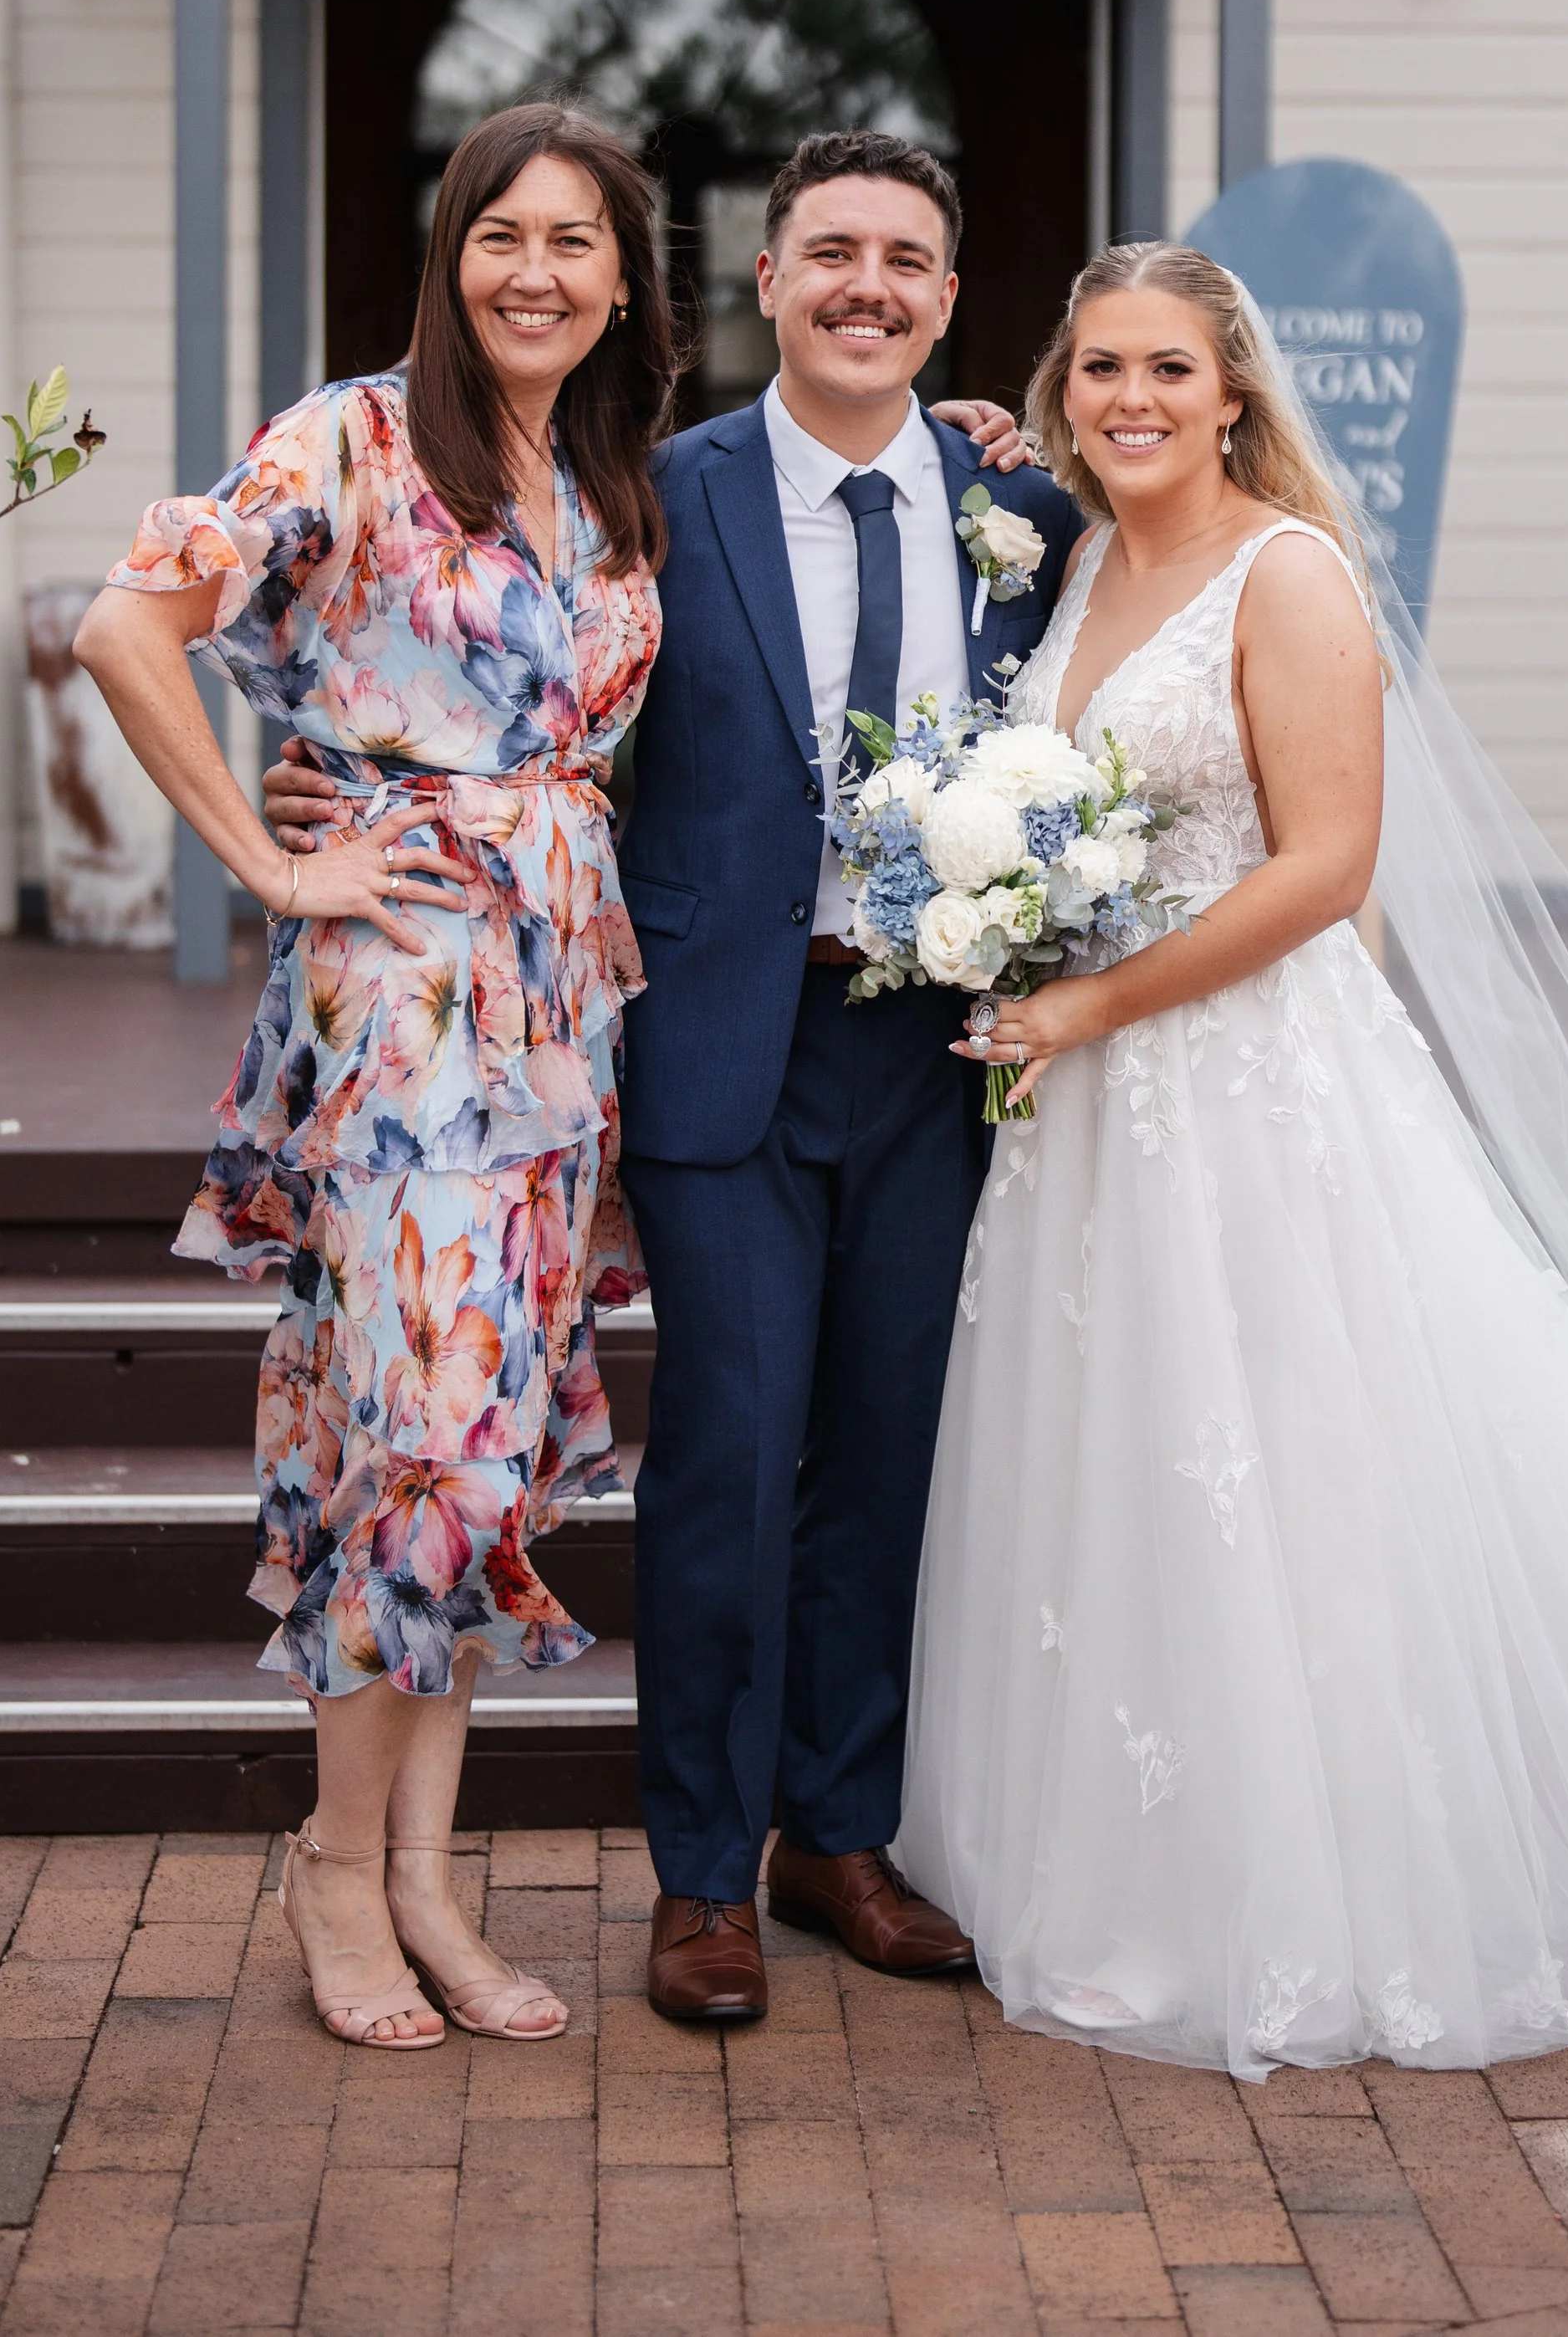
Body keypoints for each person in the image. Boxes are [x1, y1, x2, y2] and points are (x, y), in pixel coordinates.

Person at [899, 238, 1568, 2077]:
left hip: (1244, 1084)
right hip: (1095, 1107)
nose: (1129, 401)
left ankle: (1312, 1885)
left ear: (1231, 395)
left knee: (1292, 1467)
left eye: (1166, 374)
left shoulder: (1287, 578)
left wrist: (1089, 1005)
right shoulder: (1082, 560)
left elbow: (1319, 870)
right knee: (1130, 1468)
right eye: (1098, 369)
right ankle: (1137, 1865)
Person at [269, 128, 1079, 2023]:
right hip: (713, 1042)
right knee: (726, 1452)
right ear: (766, 288)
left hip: (939, 1044)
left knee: (886, 1454)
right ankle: (702, 1876)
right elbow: (486, 684)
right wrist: (328, 794)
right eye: (827, 254)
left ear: (946, 299)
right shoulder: (649, 493)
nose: (864, 285)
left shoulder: (1016, 509)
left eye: (902, 259)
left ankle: (836, 1837)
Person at [76, 102, 675, 2049]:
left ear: (620, 277)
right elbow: (122, 621)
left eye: (576, 241)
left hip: (555, 1018)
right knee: (407, 1442)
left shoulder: (602, 470)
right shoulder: (344, 435)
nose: (536, 271)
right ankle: (337, 1869)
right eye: (503, 232)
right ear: (450, 247)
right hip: (402, 1005)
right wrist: (272, 855)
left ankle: (425, 1873)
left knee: (482, 1451)